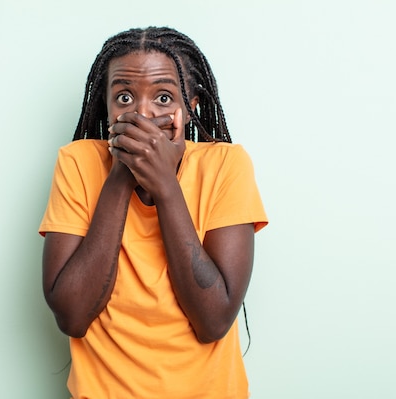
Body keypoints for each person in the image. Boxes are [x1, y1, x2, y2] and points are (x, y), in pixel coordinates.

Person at [39, 26, 268, 399]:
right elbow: (72, 316)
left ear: (189, 108)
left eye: (163, 98)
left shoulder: (227, 166)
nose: (142, 114)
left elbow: (213, 321)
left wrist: (165, 186)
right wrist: (121, 174)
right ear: (106, 107)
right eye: (124, 97)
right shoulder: (78, 163)